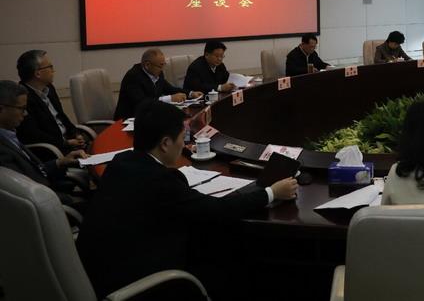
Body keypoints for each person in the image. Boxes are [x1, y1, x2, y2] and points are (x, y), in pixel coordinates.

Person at [77, 100, 298, 300]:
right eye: (182, 139)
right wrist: (272, 192)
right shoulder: (160, 181)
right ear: (165, 143)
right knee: (230, 260)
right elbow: (217, 210)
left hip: (98, 272)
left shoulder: (121, 162)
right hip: (137, 282)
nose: (184, 146)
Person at [0, 80, 87, 205]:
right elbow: (22, 192)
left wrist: (61, 161)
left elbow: (34, 170)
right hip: (48, 203)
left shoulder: (9, 134)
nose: (25, 114)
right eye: (22, 109)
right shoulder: (2, 150)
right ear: (1, 109)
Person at [15, 50, 85, 154]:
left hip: (69, 145)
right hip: (52, 151)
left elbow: (62, 116)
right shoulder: (22, 98)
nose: (53, 70)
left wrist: (76, 134)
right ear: (38, 73)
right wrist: (66, 143)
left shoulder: (49, 88)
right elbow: (33, 135)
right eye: (50, 67)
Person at [114, 48, 201, 120]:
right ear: (147, 65)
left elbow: (170, 89)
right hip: (128, 120)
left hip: (149, 116)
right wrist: (170, 98)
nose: (162, 69)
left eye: (164, 65)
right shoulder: (133, 76)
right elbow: (142, 103)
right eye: (160, 66)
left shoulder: (157, 73)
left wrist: (191, 93)